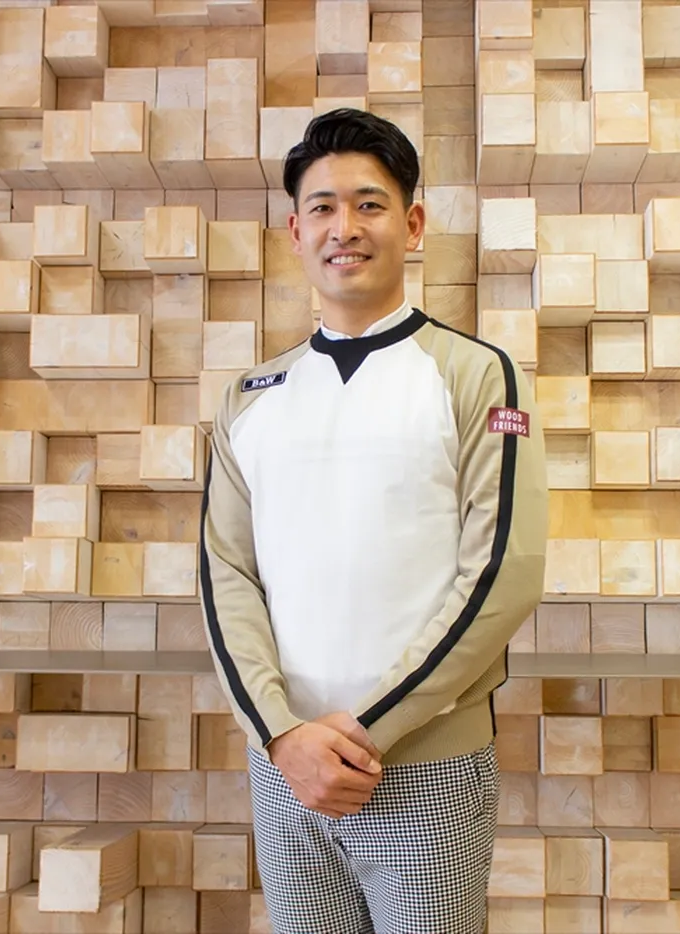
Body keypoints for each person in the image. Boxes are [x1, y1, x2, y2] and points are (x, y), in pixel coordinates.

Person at [199, 108, 549, 934]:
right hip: (284, 768)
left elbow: (503, 572)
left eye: (369, 204)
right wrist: (282, 736)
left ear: (412, 223)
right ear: (295, 231)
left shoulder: (477, 375)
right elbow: (226, 575)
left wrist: (362, 732)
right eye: (321, 207)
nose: (344, 228)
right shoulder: (249, 398)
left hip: (427, 767)